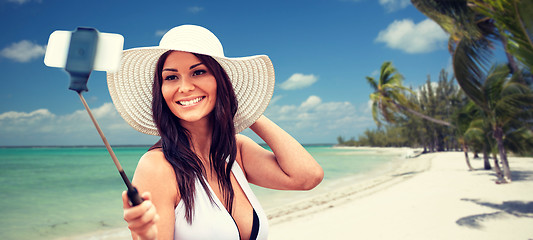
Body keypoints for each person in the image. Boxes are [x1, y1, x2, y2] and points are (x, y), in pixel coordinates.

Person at [107, 25, 324, 240]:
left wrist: (245, 108)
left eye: (198, 72)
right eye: (171, 77)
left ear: (221, 82)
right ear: (161, 90)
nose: (184, 87)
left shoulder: (236, 150)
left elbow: (307, 177)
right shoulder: (157, 166)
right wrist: (145, 235)